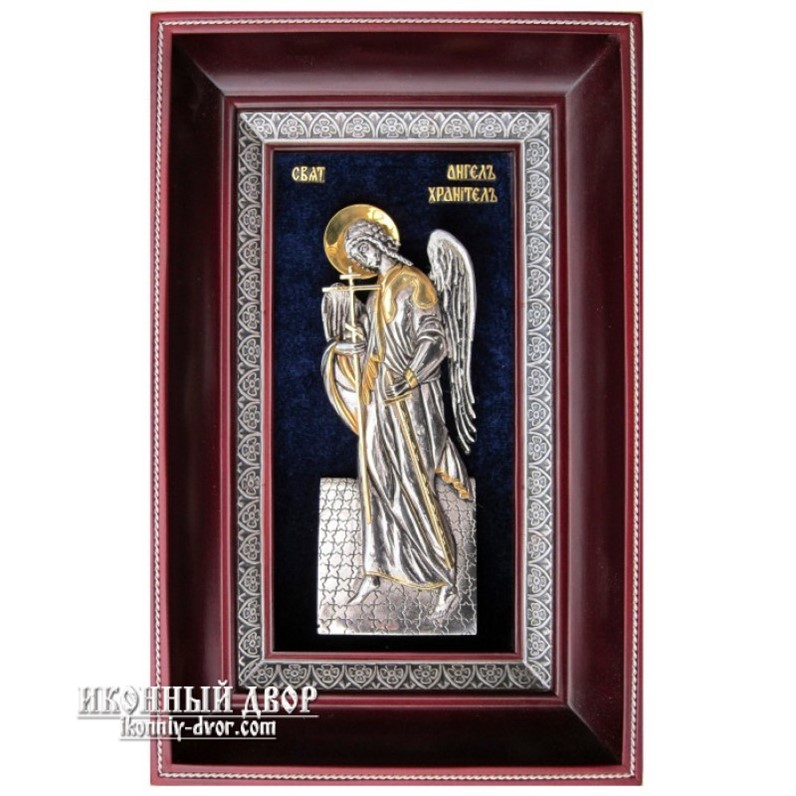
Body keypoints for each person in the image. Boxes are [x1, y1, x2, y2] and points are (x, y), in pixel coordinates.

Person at [321, 218, 472, 614]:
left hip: (410, 400)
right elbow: (372, 346)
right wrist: (346, 335)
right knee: (376, 482)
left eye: (364, 249)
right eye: (356, 256)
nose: (362, 260)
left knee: (412, 483)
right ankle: (375, 573)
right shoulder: (376, 293)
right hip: (378, 401)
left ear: (380, 242)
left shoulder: (413, 282)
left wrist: (409, 377)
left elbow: (435, 340)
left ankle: (446, 579)